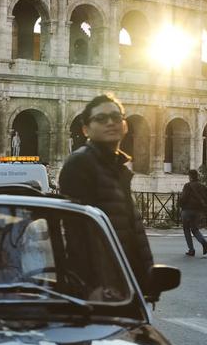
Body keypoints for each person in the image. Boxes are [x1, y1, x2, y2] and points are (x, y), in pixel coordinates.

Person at [58, 93, 153, 292]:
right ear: (85, 129)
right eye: (101, 119)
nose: (110, 122)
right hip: (103, 287)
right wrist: (94, 288)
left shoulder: (117, 167)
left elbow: (131, 233)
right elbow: (78, 233)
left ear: (125, 125)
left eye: (116, 117)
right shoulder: (81, 163)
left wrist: (146, 279)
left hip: (128, 283)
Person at [178, 169, 207, 257]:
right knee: (195, 229)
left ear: (190, 176)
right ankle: (204, 242)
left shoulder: (187, 186)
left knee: (186, 229)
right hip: (198, 211)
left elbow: (183, 198)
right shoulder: (203, 187)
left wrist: (180, 204)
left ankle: (191, 250)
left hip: (187, 210)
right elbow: (206, 199)